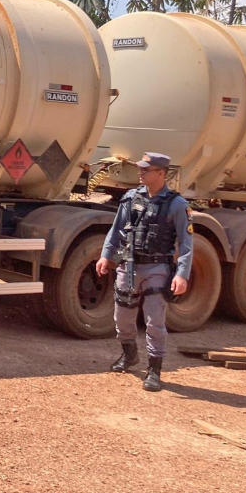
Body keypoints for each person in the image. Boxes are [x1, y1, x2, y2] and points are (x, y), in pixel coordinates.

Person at [96, 152, 193, 392]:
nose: (140, 172)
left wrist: (182, 274)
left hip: (156, 268)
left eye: (145, 170)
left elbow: (187, 242)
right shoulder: (130, 198)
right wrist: (105, 255)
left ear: (161, 173)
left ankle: (154, 370)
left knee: (154, 321)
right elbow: (116, 229)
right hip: (128, 265)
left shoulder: (177, 205)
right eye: (140, 169)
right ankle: (129, 356)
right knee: (122, 318)